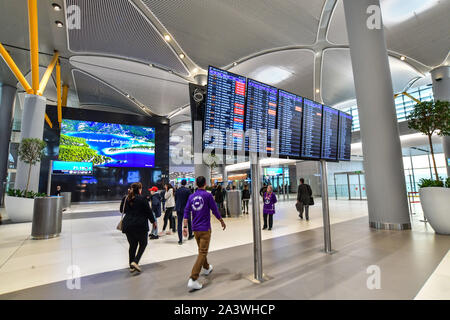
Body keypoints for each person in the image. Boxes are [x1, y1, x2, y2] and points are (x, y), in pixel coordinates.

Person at [183, 176, 226, 290]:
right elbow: (214, 210)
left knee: (201, 251)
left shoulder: (191, 196)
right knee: (202, 252)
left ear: (196, 184)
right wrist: (221, 220)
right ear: (205, 183)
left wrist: (185, 227)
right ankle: (193, 278)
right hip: (205, 229)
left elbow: (186, 211)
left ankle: (206, 268)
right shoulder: (207, 195)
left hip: (195, 230)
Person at [121, 182, 156, 273]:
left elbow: (122, 210)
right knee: (143, 243)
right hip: (140, 225)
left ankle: (131, 266)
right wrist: (153, 222)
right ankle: (135, 262)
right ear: (140, 189)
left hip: (128, 225)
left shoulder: (126, 198)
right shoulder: (142, 199)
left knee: (132, 245)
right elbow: (148, 211)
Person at [175, 179, 194, 244]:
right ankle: (190, 235)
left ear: (181, 183)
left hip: (179, 208)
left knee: (179, 223)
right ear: (186, 183)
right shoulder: (188, 190)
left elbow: (176, 199)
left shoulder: (177, 190)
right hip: (186, 209)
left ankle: (180, 240)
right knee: (189, 222)